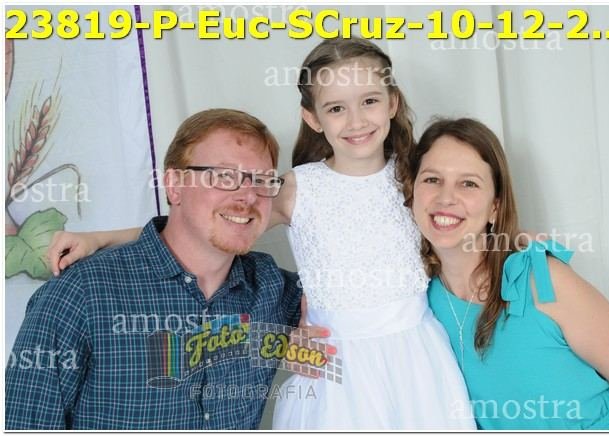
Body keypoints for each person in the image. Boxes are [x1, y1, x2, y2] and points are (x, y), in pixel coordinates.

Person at [45, 38, 475, 430]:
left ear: (392, 102)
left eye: (369, 101)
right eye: (336, 109)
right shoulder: (298, 189)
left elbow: (466, 223)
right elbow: (197, 227)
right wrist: (100, 238)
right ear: (312, 117)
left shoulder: (418, 176)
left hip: (416, 358)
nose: (356, 120)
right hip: (335, 366)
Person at [6, 109, 321, 429]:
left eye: (262, 180)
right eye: (224, 176)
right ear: (174, 185)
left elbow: (348, 308)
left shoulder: (271, 288)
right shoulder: (82, 293)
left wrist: (312, 342)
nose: (248, 196)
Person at [403, 117, 609, 430]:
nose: (446, 197)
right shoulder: (417, 299)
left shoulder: (543, 280)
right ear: (412, 192)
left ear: (495, 207)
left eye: (468, 183)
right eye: (432, 179)